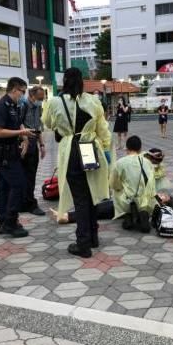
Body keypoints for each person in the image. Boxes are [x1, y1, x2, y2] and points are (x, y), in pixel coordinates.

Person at [42, 67, 111, 258]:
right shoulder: (93, 100)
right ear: (82, 82)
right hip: (91, 148)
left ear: (64, 81)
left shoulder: (55, 102)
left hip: (71, 151)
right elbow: (103, 129)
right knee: (92, 195)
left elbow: (47, 123)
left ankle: (83, 244)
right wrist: (106, 151)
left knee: (80, 198)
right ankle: (93, 237)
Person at [0, 77, 35, 238]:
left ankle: (3, 222)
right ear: (14, 89)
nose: (23, 95)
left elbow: (18, 123)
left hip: (11, 151)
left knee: (4, 187)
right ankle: (10, 221)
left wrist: (24, 138)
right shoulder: (1, 106)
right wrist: (21, 133)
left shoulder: (15, 105)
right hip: (2, 152)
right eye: (22, 91)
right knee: (19, 184)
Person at [110, 136, 155, 232]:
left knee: (116, 190)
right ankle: (144, 212)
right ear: (140, 148)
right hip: (145, 200)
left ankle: (128, 214)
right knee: (146, 193)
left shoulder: (120, 162)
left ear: (127, 148)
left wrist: (119, 188)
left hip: (127, 199)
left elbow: (114, 184)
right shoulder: (148, 162)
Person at [20, 86, 46, 216]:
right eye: (39, 98)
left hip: (33, 142)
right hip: (24, 143)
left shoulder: (37, 107)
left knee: (31, 174)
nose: (41, 101)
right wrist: (24, 140)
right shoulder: (23, 105)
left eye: (42, 98)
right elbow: (18, 123)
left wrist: (41, 144)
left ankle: (26, 201)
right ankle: (29, 203)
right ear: (31, 95)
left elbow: (38, 127)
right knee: (27, 174)